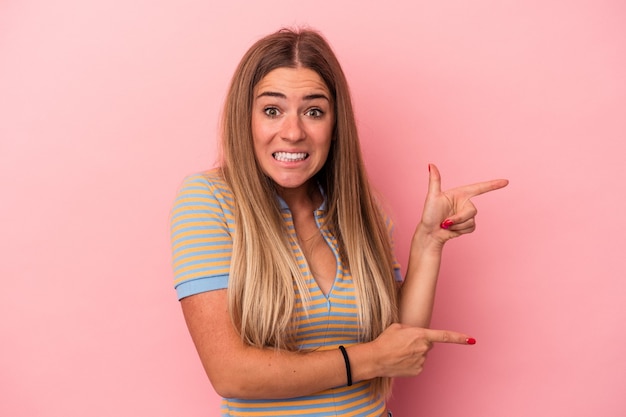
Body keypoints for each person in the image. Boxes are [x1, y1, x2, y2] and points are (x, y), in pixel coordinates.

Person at [170, 27, 508, 417]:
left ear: (335, 124)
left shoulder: (362, 212)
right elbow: (232, 375)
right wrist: (367, 361)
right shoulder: (208, 200)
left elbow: (398, 344)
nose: (293, 132)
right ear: (245, 119)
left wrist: (430, 240)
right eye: (272, 110)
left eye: (314, 111)